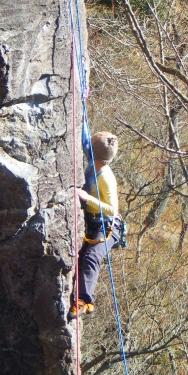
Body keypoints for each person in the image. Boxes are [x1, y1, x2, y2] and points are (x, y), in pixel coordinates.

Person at [69, 125, 121, 319]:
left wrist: (86, 197)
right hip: (93, 222)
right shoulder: (95, 160)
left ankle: (84, 301)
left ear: (94, 152)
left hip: (106, 226)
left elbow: (111, 210)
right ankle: (82, 299)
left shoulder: (105, 177)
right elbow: (84, 139)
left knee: (91, 257)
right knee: (80, 258)